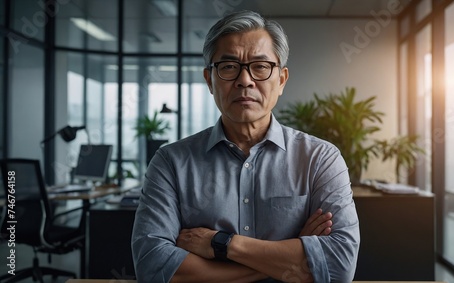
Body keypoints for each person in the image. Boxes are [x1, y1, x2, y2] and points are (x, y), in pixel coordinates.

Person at [131, 10, 360, 283]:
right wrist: (293, 255)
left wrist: (222, 244)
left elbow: (339, 266)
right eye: (228, 67)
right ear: (209, 80)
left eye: (260, 67)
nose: (245, 80)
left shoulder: (320, 159)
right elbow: (152, 267)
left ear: (282, 80)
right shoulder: (171, 162)